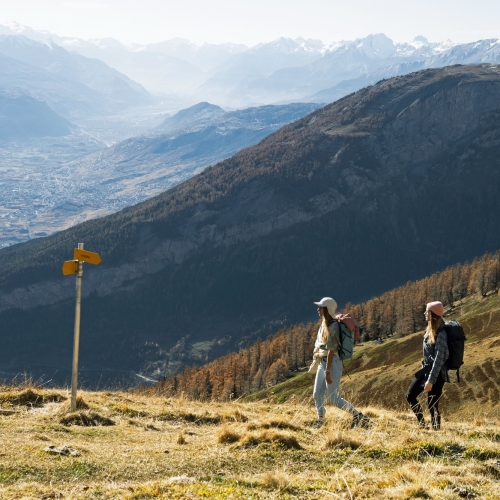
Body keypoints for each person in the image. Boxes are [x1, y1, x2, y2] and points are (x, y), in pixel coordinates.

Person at [311, 297, 370, 429]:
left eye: (321, 307)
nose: (318, 309)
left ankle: (359, 416)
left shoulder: (333, 326)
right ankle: (321, 419)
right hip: (323, 361)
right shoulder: (324, 323)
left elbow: (332, 349)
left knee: (334, 399)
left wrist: (327, 371)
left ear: (327, 309)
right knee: (317, 394)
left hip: (332, 364)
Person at [406, 300, 450, 430]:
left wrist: (431, 380)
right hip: (426, 370)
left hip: (438, 374)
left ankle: (436, 433)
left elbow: (439, 359)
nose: (425, 313)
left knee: (432, 404)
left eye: (427, 311)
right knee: (410, 395)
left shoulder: (441, 334)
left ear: (433, 314)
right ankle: (422, 425)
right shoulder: (429, 330)